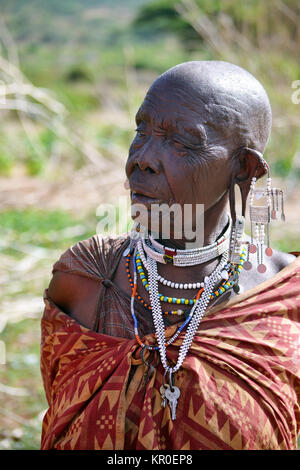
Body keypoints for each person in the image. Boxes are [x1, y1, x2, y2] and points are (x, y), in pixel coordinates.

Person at [40, 61, 300, 450]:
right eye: (140, 130)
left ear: (244, 169)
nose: (141, 158)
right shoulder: (84, 279)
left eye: (182, 141)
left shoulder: (284, 298)